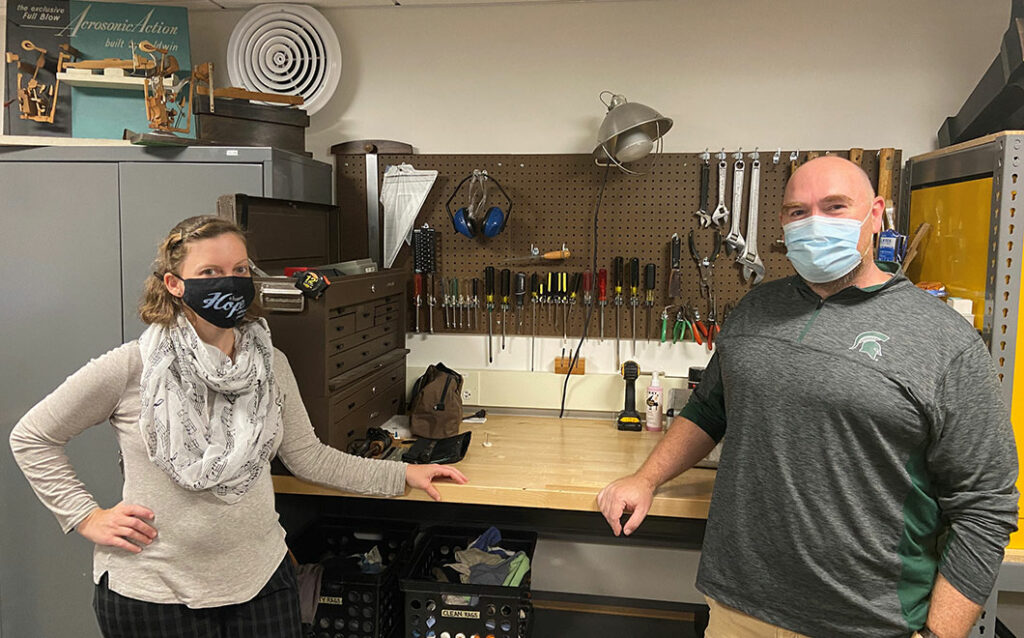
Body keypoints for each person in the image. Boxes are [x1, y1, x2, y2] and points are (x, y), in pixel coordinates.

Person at [598, 156, 1019, 638]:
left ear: (876, 215)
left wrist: (939, 635)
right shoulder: (755, 309)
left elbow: (986, 506)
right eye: (798, 212)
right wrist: (645, 479)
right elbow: (710, 408)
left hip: (867, 622)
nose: (815, 223)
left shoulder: (944, 340)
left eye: (835, 207)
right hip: (739, 609)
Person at [9, 215, 468, 638]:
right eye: (209, 273)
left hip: (260, 585)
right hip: (153, 592)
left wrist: (402, 473)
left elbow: (306, 455)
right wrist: (85, 516)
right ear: (174, 284)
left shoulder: (271, 365)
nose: (229, 281)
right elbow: (32, 437)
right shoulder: (134, 367)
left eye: (241, 269)